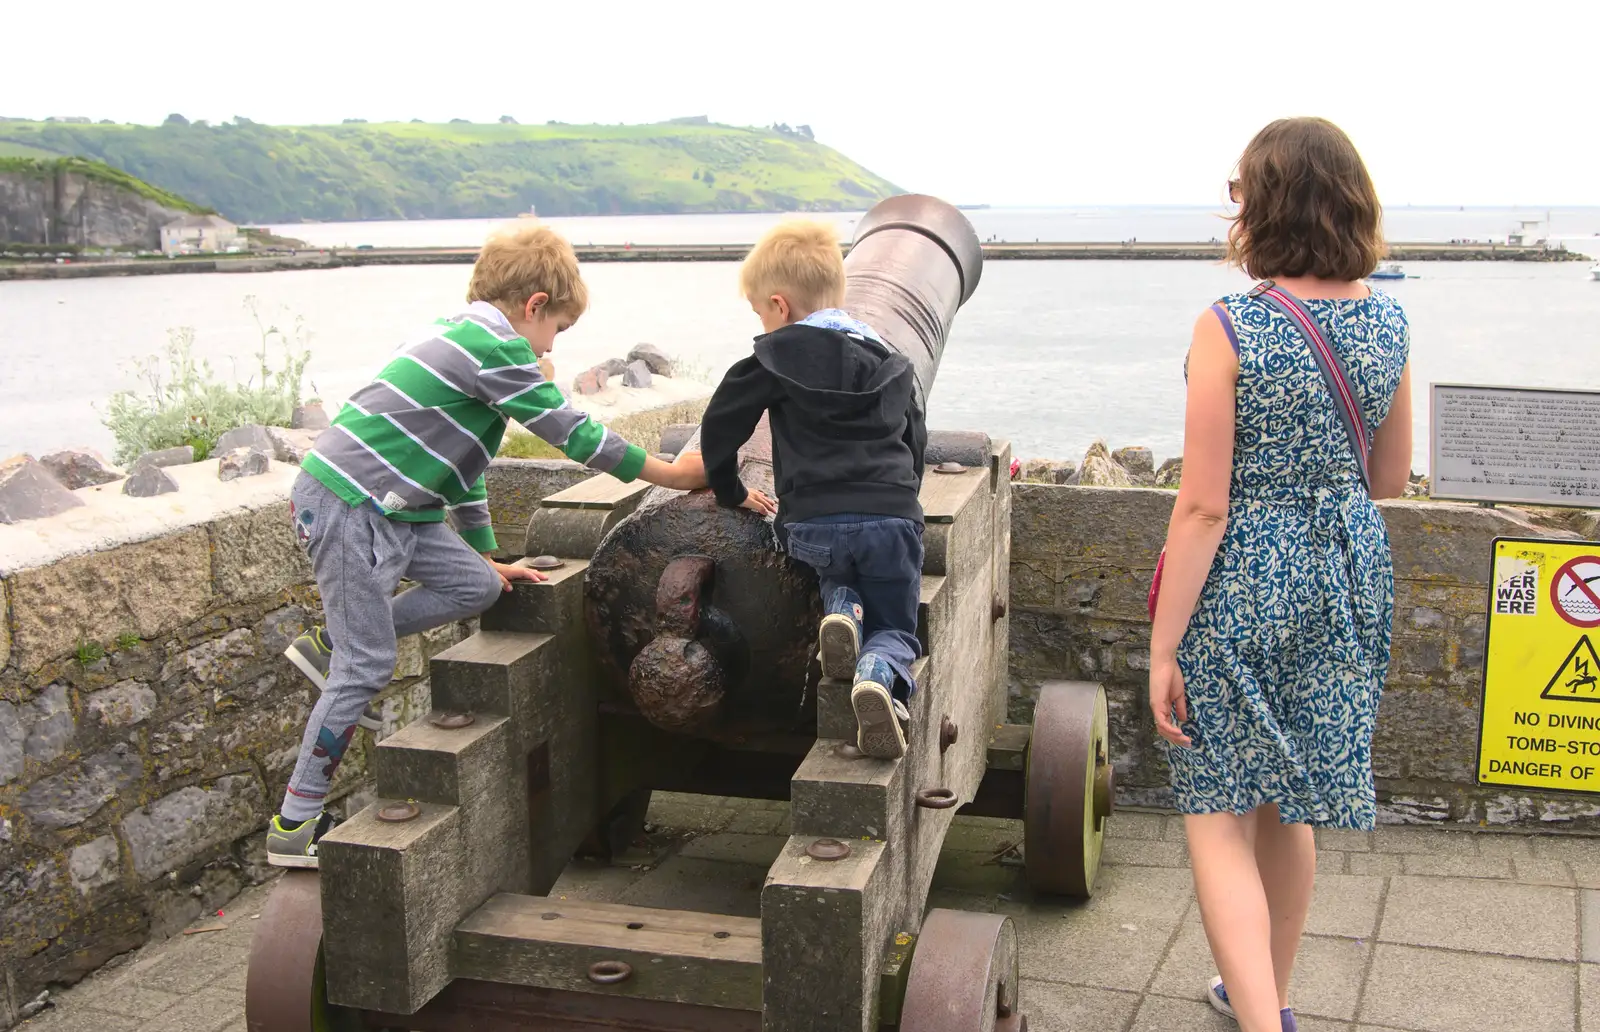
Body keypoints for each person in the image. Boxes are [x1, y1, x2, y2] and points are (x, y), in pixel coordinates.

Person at [266, 224, 708, 868]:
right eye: (556, 328)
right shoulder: (493, 347)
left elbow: (465, 470)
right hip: (351, 504)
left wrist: (486, 553)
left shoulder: (462, 338)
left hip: (402, 508)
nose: (552, 346)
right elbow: (569, 429)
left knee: (478, 586)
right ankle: (294, 825)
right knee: (366, 666)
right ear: (533, 306)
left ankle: (332, 639)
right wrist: (669, 474)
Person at [1147, 117, 1413, 1032]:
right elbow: (1386, 479)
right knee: (1288, 794)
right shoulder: (1388, 317)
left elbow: (1202, 507)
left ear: (1264, 206)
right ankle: (1268, 996)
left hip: (1246, 576)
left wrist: (1161, 647)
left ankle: (1264, 1024)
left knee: (1218, 807)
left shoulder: (1231, 326)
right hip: (1346, 572)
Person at [699, 220, 927, 760]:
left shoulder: (774, 357)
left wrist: (728, 487)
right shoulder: (891, 363)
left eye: (759, 312)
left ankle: (842, 613)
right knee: (897, 624)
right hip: (890, 518)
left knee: (833, 572)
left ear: (778, 306)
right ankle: (879, 672)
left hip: (812, 520)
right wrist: (904, 499)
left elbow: (721, 424)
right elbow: (915, 438)